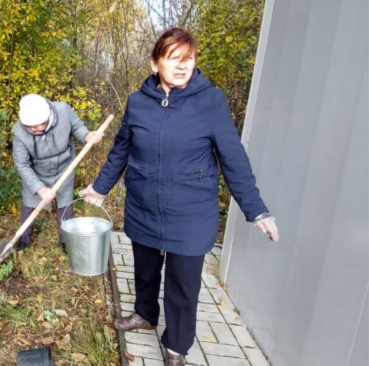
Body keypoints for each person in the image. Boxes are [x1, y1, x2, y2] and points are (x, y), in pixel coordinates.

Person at [79, 28, 279, 366]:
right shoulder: (137, 102)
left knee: (182, 285)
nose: (183, 66)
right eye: (174, 59)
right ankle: (144, 314)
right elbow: (121, 149)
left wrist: (256, 210)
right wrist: (100, 187)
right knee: (144, 270)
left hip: (191, 211)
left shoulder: (210, 101)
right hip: (143, 204)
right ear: (155, 63)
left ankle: (176, 346)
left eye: (189, 59)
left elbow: (233, 158)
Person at [12, 94, 104, 252]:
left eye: (36, 125)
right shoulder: (19, 132)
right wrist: (40, 189)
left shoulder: (63, 110)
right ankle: (24, 239)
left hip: (64, 168)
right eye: (29, 126)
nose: (32, 129)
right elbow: (22, 164)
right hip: (36, 171)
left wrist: (87, 136)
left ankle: (65, 241)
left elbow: (77, 127)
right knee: (29, 204)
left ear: (47, 117)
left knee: (65, 205)